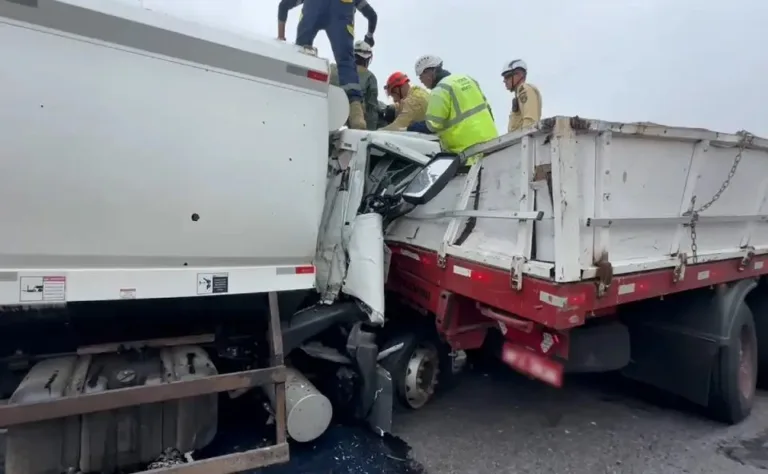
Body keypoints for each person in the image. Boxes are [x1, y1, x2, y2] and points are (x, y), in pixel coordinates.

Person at [277, 0, 379, 129]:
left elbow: (283, 5)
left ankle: (293, 99)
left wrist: (281, 37)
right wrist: (369, 36)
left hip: (313, 9)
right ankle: (356, 114)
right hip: (341, 14)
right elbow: (372, 15)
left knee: (300, 58)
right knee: (346, 63)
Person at [410, 55, 498, 164]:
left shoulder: (440, 90)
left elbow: (433, 125)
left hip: (469, 153)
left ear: (430, 72)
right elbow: (488, 109)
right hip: (493, 143)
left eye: (421, 77)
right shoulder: (468, 79)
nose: (421, 81)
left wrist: (413, 127)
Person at [330, 41, 379, 130]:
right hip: (352, 121)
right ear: (367, 59)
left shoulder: (333, 68)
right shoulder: (370, 77)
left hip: (328, 116)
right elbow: (372, 110)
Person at [502, 59, 542, 133]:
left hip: (523, 141)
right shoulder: (519, 94)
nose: (504, 81)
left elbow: (530, 121)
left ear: (520, 75)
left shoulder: (524, 90)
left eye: (507, 76)